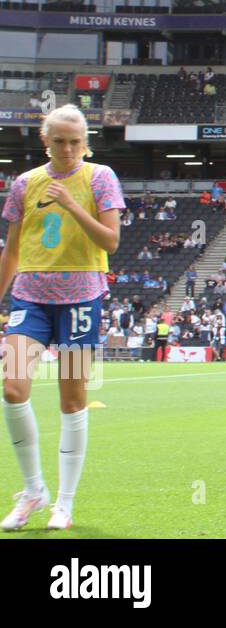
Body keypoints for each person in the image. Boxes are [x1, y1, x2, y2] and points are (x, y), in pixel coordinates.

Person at [0, 105, 125, 531]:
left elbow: (110, 240)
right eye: (59, 141)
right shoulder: (24, 184)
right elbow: (12, 250)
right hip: (30, 299)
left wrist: (72, 204)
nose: (68, 149)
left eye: (75, 142)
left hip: (81, 301)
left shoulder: (100, 177)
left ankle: (65, 503)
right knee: (13, 388)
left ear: (85, 142)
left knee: (71, 401)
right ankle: (34, 490)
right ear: (45, 141)